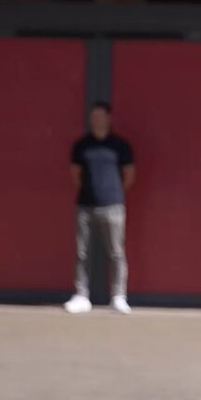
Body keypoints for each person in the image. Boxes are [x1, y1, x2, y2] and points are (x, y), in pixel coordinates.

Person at [65, 100, 135, 315]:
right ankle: (81, 296)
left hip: (113, 206)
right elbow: (75, 175)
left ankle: (119, 297)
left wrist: (112, 192)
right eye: (93, 116)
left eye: (100, 116)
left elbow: (129, 176)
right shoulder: (81, 146)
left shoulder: (120, 146)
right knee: (82, 252)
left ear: (108, 118)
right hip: (85, 205)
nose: (96, 120)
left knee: (116, 252)